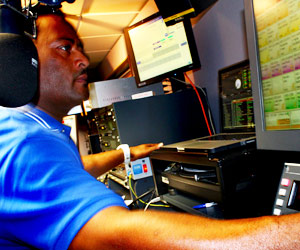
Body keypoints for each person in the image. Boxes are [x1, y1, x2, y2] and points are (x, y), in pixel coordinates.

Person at [1, 8, 300, 250]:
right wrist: (284, 233)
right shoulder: (26, 141)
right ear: (22, 61)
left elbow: (73, 169)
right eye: (65, 48)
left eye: (79, 47)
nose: (83, 60)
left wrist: (128, 153)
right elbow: (117, 237)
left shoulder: (33, 128)